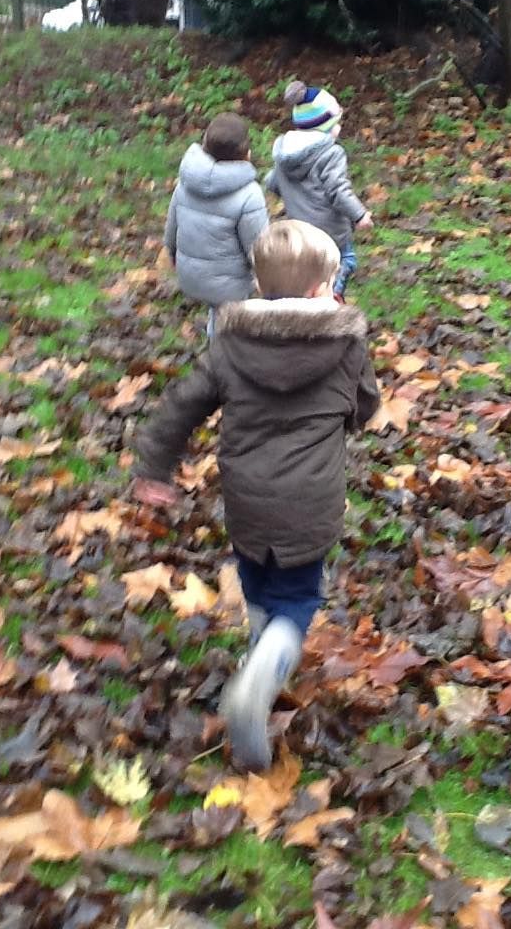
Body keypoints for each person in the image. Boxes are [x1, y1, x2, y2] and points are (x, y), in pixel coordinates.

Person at [132, 220, 380, 771]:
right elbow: (365, 408)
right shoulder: (345, 346)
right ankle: (265, 669)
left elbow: (181, 407)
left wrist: (154, 467)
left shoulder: (229, 345)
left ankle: (261, 651)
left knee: (257, 576)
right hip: (311, 499)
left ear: (260, 286)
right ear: (323, 288)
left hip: (245, 495)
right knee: (299, 594)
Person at [265, 80, 373, 305]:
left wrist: (291, 194)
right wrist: (359, 215)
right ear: (323, 126)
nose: (339, 128)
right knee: (347, 260)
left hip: (300, 230)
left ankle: (307, 299)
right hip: (330, 230)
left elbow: (271, 181)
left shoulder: (285, 153)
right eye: (336, 123)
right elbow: (338, 190)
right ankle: (331, 298)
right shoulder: (331, 153)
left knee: (310, 268)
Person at [164, 112, 268, 337]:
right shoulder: (250, 194)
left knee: (218, 312)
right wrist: (265, 275)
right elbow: (258, 246)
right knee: (232, 324)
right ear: (247, 153)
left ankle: (216, 348)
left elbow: (171, 229)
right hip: (231, 284)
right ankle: (226, 360)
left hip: (190, 274)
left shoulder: (186, 182)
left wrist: (173, 257)